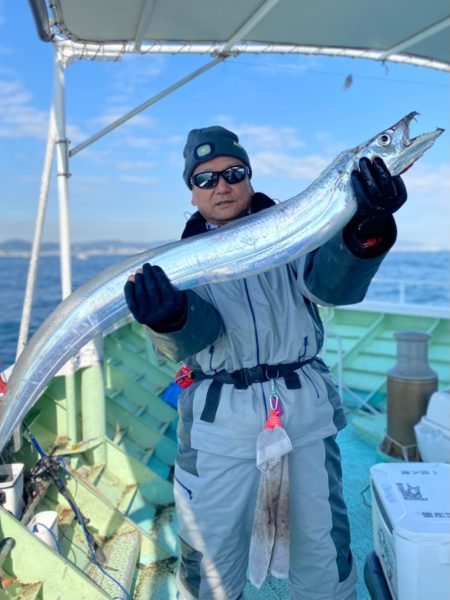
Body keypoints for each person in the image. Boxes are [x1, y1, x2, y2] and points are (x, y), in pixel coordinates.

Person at [124, 126, 407, 600]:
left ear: (250, 178)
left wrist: (367, 228)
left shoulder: (296, 230)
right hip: (218, 423)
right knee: (209, 556)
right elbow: (193, 340)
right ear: (191, 194)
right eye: (206, 179)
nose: (222, 185)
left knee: (322, 550)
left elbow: (332, 286)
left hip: (304, 411)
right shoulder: (179, 262)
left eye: (233, 173)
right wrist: (169, 317)